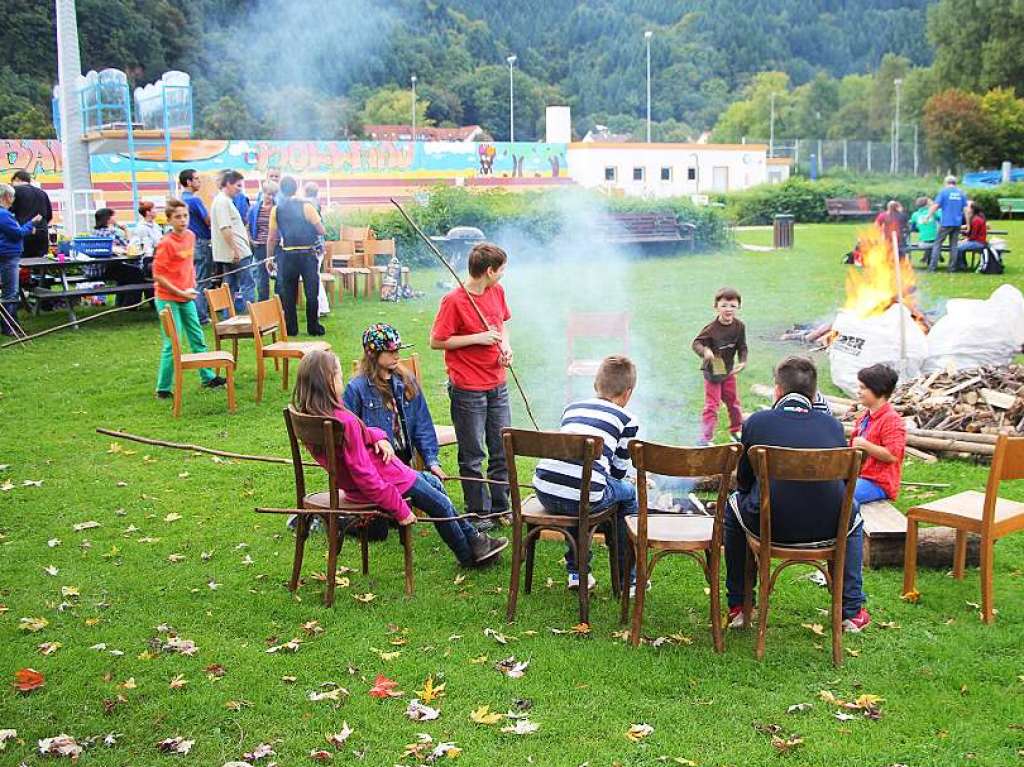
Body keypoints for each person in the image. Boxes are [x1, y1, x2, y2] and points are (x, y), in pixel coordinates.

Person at [291, 349, 508, 567]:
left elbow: (359, 435)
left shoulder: (318, 416)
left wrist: (378, 436)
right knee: (440, 505)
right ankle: (469, 557)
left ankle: (475, 540)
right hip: (389, 479)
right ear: (327, 381)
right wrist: (399, 508)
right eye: (338, 375)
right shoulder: (344, 421)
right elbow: (365, 475)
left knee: (433, 485)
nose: (341, 379)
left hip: (375, 478)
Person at [723, 355, 870, 633]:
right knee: (854, 514)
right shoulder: (833, 426)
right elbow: (842, 480)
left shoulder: (757, 422)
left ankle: (740, 606)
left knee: (733, 508)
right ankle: (851, 611)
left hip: (770, 525)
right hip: (828, 526)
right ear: (815, 394)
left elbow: (742, 481)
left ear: (777, 389)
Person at [533, 355, 640, 593]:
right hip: (582, 497)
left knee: (577, 490)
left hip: (544, 491)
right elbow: (619, 471)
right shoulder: (627, 419)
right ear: (628, 393)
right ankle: (628, 580)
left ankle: (577, 574)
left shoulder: (571, 408)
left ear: (595, 385)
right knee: (628, 494)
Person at [430, 242, 514, 527]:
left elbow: (502, 326)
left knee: (502, 448)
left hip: (497, 382)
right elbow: (437, 341)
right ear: (489, 271)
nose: (503, 274)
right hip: (468, 387)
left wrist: (506, 347)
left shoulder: (497, 292)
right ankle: (479, 512)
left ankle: (501, 506)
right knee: (473, 453)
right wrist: (477, 338)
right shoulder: (454, 301)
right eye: (501, 269)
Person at [344, 323, 444, 474]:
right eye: (390, 352)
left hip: (405, 466)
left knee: (436, 491)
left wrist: (432, 461)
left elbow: (423, 424)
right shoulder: (356, 388)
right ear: (372, 353)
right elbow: (348, 434)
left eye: (397, 350)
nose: (397, 356)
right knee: (433, 495)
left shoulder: (407, 380)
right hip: (377, 468)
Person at [152, 198, 225, 398]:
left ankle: (207, 376)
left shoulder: (191, 236)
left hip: (187, 296)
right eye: (177, 217)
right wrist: (179, 291)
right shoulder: (166, 243)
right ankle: (163, 388)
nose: (183, 220)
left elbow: (188, 265)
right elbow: (158, 275)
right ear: (169, 220)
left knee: (197, 337)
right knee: (172, 341)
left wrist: (190, 285)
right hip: (167, 298)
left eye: (185, 216)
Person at [267, 175, 326, 336]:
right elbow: (321, 230)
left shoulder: (276, 210)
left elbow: (272, 237)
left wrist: (269, 257)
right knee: (311, 292)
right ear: (296, 188)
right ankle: (313, 327)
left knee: (289, 293)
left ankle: (291, 328)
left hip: (287, 255)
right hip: (307, 254)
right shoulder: (307, 206)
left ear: (281, 190)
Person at [692, 286, 747, 445]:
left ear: (738, 307)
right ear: (716, 307)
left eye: (732, 305)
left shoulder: (739, 326)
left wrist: (742, 361)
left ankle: (736, 431)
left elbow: (742, 346)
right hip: (714, 369)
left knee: (734, 403)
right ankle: (704, 439)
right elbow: (696, 343)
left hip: (728, 370)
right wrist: (705, 352)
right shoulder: (711, 329)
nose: (728, 309)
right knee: (712, 406)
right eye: (724, 305)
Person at [849, 364, 905, 505]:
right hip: (860, 477)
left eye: (863, 388)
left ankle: (854, 526)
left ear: (878, 389)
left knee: (841, 497)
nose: (858, 392)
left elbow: (893, 456)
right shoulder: (865, 417)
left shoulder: (891, 420)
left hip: (878, 483)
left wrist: (865, 445)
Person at [210, 169, 256, 314]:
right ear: (228, 184)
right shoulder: (222, 201)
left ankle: (228, 315)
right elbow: (225, 228)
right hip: (237, 253)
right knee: (247, 284)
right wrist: (235, 250)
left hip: (231, 252)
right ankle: (251, 316)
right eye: (238, 185)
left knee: (230, 286)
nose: (239, 189)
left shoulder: (222, 201)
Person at [0, 183, 41, 336]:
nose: (14, 199)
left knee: (10, 291)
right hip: (8, 255)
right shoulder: (4, 214)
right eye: (12, 196)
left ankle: (13, 324)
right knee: (10, 293)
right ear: (6, 197)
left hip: (6, 254)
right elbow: (17, 233)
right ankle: (8, 327)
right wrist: (32, 223)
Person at [179, 169, 213, 323]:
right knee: (202, 279)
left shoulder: (181, 200)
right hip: (201, 241)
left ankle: (192, 313)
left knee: (192, 278)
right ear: (188, 182)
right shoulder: (195, 200)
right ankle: (201, 316)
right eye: (196, 179)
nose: (199, 182)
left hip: (188, 243)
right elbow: (208, 220)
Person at [93, 208, 145, 307]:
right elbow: (130, 246)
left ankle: (120, 303)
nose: (116, 218)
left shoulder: (95, 232)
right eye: (114, 216)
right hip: (108, 268)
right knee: (137, 273)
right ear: (108, 219)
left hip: (96, 268)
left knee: (126, 274)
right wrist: (126, 229)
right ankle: (130, 305)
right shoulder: (111, 232)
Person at [246, 180, 278, 301]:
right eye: (268, 193)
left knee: (278, 278)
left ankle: (279, 305)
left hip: (275, 247)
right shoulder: (255, 209)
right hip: (259, 247)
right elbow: (248, 226)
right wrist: (251, 240)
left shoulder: (277, 208)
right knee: (261, 280)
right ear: (263, 193)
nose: (270, 197)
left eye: (273, 194)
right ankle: (263, 305)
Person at [9, 170, 52, 259]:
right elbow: (49, 215)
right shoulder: (42, 193)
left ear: (17, 179)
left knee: (22, 267)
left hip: (23, 234)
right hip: (42, 234)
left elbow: (7, 213)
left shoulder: (15, 192)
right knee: (40, 266)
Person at [928, 175, 967, 273]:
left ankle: (932, 267)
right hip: (957, 223)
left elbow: (936, 205)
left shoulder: (943, 192)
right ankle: (952, 268)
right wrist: (968, 223)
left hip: (946, 222)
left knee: (937, 244)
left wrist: (928, 216)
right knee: (954, 245)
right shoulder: (961, 193)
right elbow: (966, 209)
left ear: (946, 183)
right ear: (955, 183)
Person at [304, 180, 330, 317]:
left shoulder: (308, 204)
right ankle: (322, 307)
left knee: (314, 278)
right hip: (319, 245)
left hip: (313, 246)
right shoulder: (316, 203)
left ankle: (320, 308)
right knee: (316, 276)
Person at [955, 200, 988, 271]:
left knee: (958, 247)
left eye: (968, 207)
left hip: (979, 243)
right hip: (977, 241)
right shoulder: (974, 218)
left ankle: (960, 266)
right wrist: (964, 236)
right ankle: (962, 264)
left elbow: (973, 236)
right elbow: (971, 233)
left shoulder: (976, 220)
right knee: (959, 245)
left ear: (972, 210)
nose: (966, 209)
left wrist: (965, 239)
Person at [909, 196, 937, 263]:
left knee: (928, 241)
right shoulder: (934, 213)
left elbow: (912, 227)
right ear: (927, 204)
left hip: (922, 243)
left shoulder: (915, 215)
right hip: (935, 243)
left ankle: (925, 258)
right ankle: (930, 261)